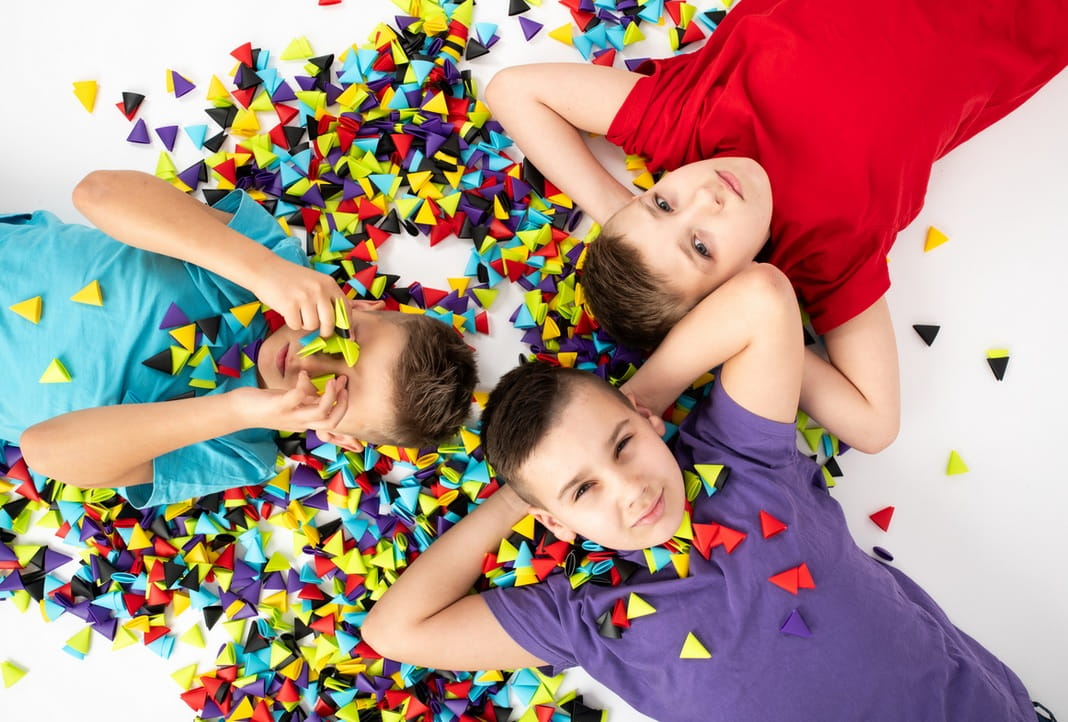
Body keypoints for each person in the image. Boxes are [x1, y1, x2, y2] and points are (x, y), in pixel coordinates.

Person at [361, 263, 1046, 720]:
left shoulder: (740, 460)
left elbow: (764, 297)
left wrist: (638, 402)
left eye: (622, 446)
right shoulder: (585, 619)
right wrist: (519, 499)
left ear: (648, 420)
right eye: (584, 489)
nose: (630, 488)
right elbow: (394, 631)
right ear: (558, 523)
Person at [483, 0, 1068, 454]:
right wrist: (678, 362)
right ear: (734, 287)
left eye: (661, 204)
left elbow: (512, 90)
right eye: (700, 246)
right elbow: (874, 423)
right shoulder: (825, 253)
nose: (705, 197)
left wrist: (618, 209)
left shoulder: (687, 121)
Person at [3, 170, 477, 508]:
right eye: (345, 341)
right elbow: (97, 192)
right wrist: (261, 269)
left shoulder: (240, 452)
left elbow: (43, 450)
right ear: (357, 306)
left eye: (339, 390)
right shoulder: (269, 259)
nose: (311, 362)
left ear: (336, 435)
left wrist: (235, 410)